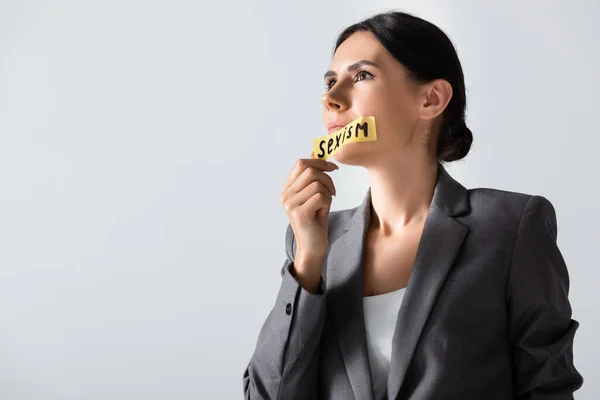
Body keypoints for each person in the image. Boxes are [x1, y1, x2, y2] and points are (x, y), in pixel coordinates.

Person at [243, 10, 583, 400]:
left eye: (362, 76)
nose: (331, 98)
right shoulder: (317, 241)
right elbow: (269, 395)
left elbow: (547, 389)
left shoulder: (511, 227)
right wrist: (307, 264)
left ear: (431, 99)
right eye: (330, 82)